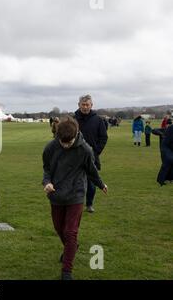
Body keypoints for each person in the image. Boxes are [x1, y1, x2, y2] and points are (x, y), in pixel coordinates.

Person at [42, 116, 108, 280]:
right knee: (59, 229)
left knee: (70, 232)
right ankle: (72, 247)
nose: (65, 145)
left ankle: (67, 271)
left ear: (76, 134)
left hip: (76, 194)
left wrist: (100, 184)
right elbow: (47, 169)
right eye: (62, 142)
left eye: (69, 143)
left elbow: (91, 171)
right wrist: (47, 182)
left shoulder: (85, 150)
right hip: (56, 194)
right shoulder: (50, 147)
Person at [74, 95, 108, 213]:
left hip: (92, 156)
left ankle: (89, 204)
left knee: (91, 182)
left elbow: (103, 137)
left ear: (91, 105)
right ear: (79, 105)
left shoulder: (98, 120)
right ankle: (74, 204)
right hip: (74, 156)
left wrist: (96, 151)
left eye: (87, 104)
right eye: (82, 104)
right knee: (74, 182)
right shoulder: (73, 119)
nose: (85, 107)